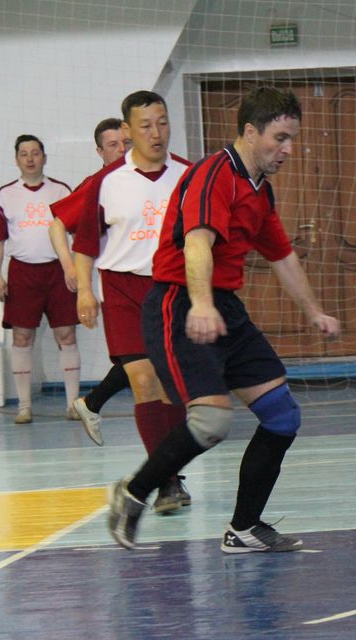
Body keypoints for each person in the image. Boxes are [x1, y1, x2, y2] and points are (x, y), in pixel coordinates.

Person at [106, 85, 341, 552]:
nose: (287, 149)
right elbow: (197, 243)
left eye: (292, 139)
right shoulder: (214, 174)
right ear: (251, 132)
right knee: (211, 423)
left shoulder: (260, 191)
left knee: (282, 416)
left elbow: (282, 256)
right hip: (180, 303)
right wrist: (202, 304)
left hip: (224, 306)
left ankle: (244, 528)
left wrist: (314, 310)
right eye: (279, 138)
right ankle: (133, 491)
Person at [55, 91, 192, 514]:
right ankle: (167, 482)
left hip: (173, 290)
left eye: (162, 123)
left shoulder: (190, 175)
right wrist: (84, 290)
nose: (156, 132)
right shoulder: (106, 181)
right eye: (146, 125)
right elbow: (83, 242)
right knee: (143, 381)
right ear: (129, 130)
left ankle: (171, 472)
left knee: (172, 387)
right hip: (122, 290)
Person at [49, 117, 132, 445]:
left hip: (155, 279)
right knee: (143, 360)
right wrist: (70, 267)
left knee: (148, 361)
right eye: (113, 145)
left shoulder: (147, 175)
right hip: (117, 283)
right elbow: (56, 224)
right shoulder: (99, 183)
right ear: (100, 152)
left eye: (126, 142)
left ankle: (92, 403)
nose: (122, 149)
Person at [0, 135, 78, 424]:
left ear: (44, 157)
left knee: (66, 335)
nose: (30, 158)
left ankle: (74, 405)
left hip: (58, 272)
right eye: (24, 154)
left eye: (35, 153)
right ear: (17, 159)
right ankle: (24, 406)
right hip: (22, 273)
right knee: (21, 337)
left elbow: (77, 234)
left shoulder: (61, 190)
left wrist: (75, 269)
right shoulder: (5, 194)